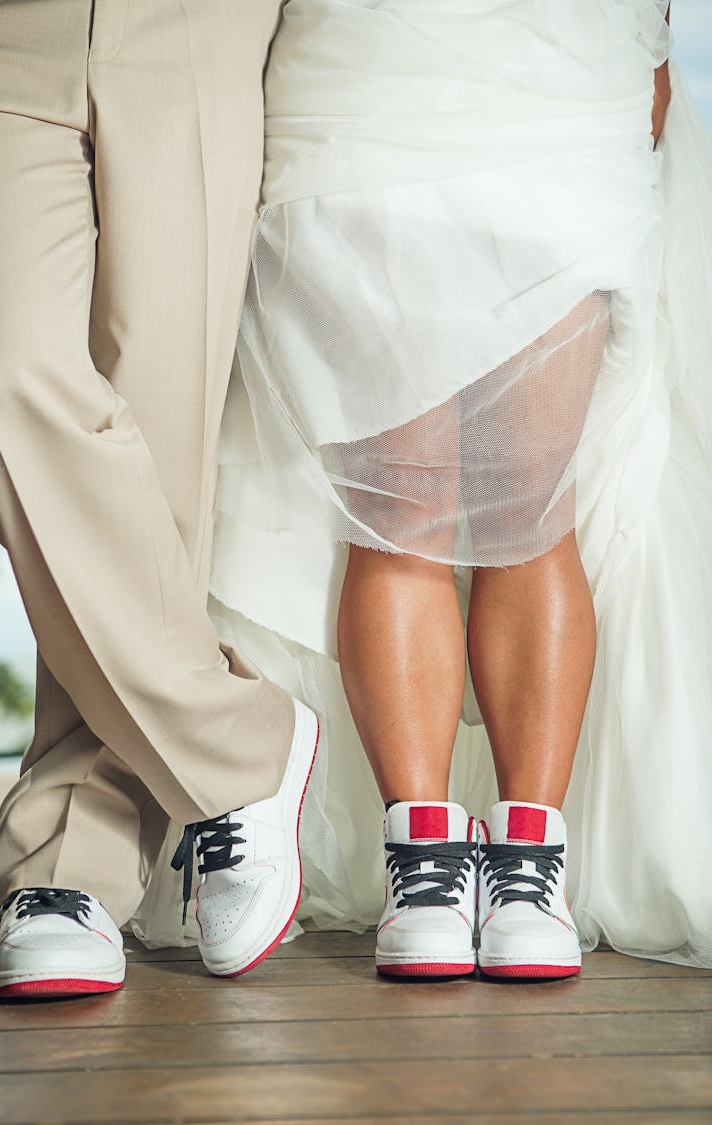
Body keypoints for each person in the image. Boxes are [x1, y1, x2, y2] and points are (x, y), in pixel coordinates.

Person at [133, 0, 712, 974]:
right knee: (398, 511)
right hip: (365, 64)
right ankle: (425, 862)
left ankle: (530, 860)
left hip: (562, 67)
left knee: (531, 505)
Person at [0, 0, 321, 1000]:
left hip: (195, 26)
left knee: (152, 457)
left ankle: (67, 863)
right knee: (6, 373)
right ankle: (239, 740)